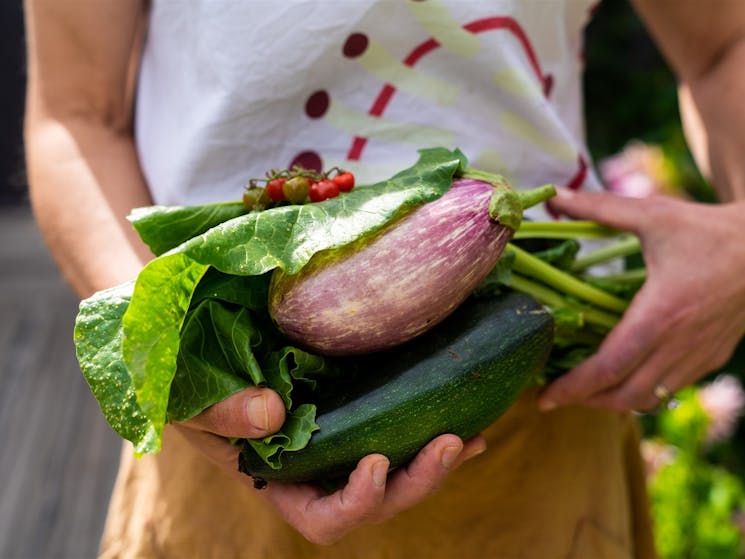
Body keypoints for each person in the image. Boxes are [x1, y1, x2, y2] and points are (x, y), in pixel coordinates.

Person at [23, 0, 745, 557]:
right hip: (230, 428)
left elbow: (722, 48)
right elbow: (76, 115)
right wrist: (170, 361)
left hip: (537, 406)